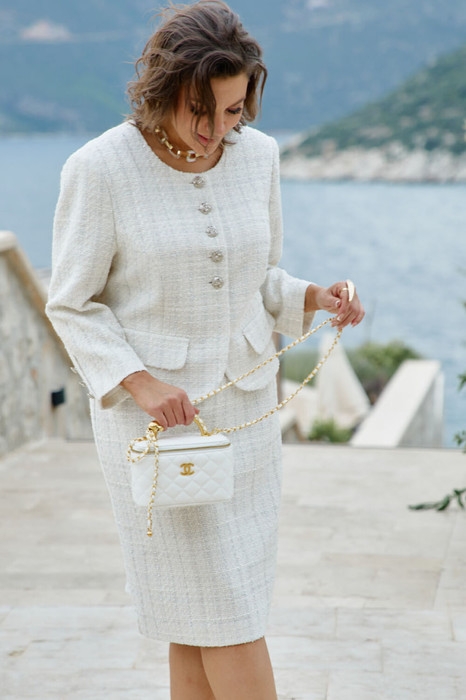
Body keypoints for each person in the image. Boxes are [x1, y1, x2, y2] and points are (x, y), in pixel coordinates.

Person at [45, 1, 365, 697]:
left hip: (247, 417)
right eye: (201, 110)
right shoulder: (100, 169)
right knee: (226, 613)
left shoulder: (260, 156)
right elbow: (71, 301)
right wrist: (139, 382)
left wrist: (315, 296)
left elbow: (259, 278)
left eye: (234, 110)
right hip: (157, 427)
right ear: (163, 90)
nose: (218, 129)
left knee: (204, 616)